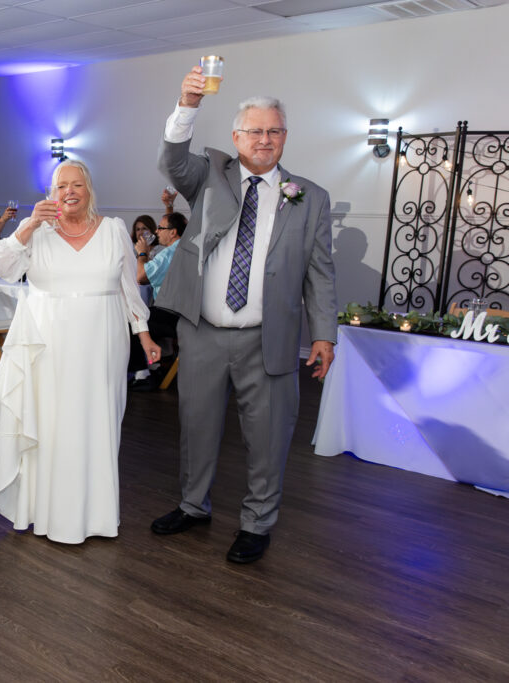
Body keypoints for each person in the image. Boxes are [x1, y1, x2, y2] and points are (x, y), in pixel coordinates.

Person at [149, 65, 337, 564]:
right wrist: (187, 103)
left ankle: (257, 523)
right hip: (205, 333)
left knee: (269, 436)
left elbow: (321, 273)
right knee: (196, 424)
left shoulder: (310, 198)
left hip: (268, 337)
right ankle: (193, 506)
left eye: (274, 130)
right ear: (236, 136)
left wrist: (325, 335)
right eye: (255, 130)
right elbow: (171, 158)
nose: (265, 139)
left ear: (285, 138)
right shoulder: (207, 176)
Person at [0, 159, 161, 544]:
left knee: (99, 421)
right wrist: (28, 225)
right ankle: (47, 512)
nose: (69, 191)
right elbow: (0, 266)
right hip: (48, 344)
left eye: (76, 184)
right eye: (61, 185)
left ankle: (96, 516)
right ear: (51, 193)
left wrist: (144, 334)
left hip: (103, 342)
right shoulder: (36, 233)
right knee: (52, 425)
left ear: (89, 189)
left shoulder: (114, 230)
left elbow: (128, 289)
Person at [128, 212, 187, 390]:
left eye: (161, 228)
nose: (157, 231)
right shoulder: (184, 248)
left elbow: (140, 276)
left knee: (134, 320)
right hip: (181, 313)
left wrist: (142, 253)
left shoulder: (170, 252)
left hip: (173, 315)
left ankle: (143, 375)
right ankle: (152, 367)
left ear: (173, 232)